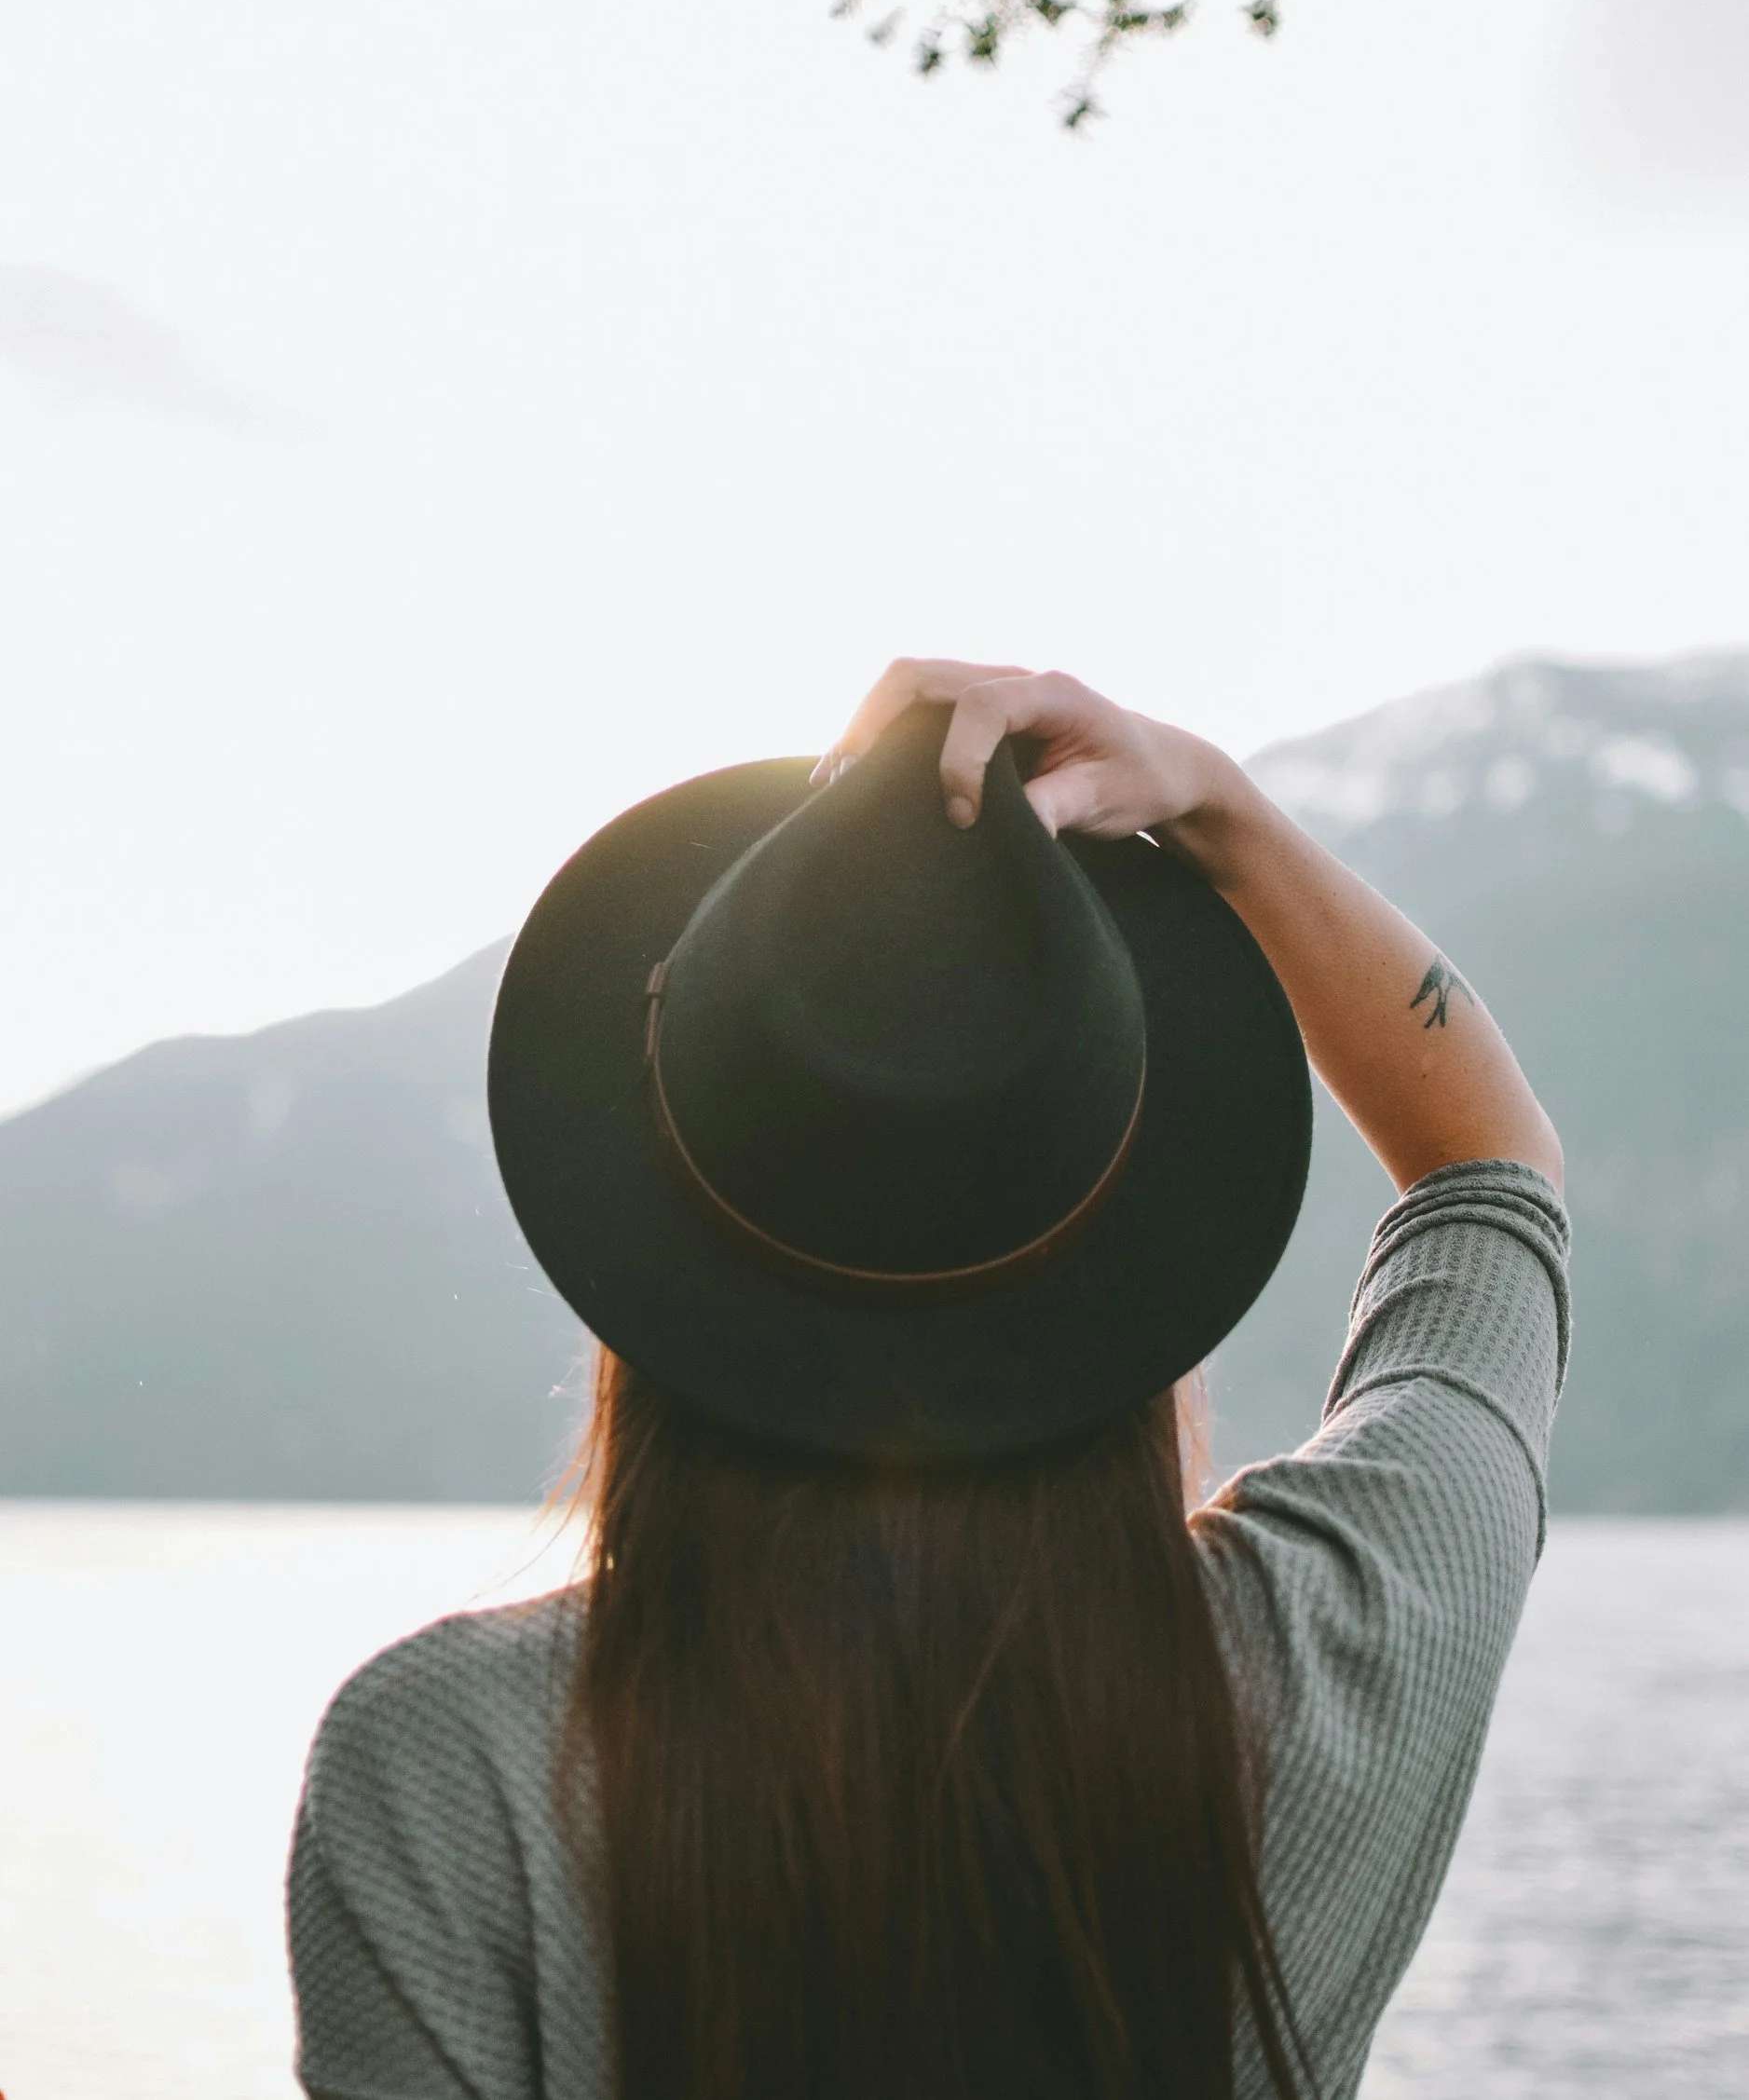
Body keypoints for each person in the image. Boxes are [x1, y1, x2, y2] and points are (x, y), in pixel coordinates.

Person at [288, 660, 1567, 2100]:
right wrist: (1214, 805)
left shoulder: (439, 1772)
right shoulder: (1338, 1648)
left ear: (651, 1247)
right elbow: (1489, 1171)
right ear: (1125, 1245)